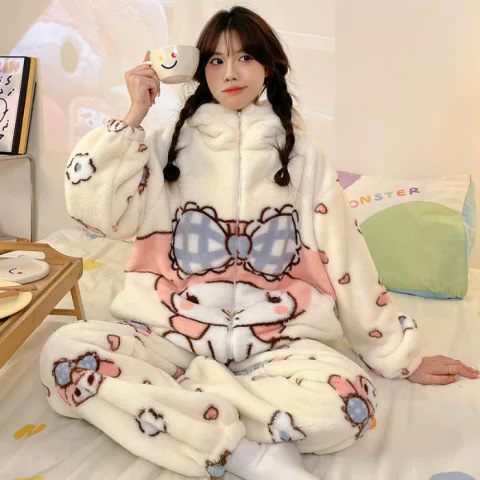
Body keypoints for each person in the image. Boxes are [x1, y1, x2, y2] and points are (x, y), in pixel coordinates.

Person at [40, 6, 479, 480]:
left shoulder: (303, 155)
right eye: (216, 60)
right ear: (198, 69)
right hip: (168, 337)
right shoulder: (165, 145)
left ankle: (188, 409)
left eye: (245, 57)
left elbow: (346, 256)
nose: (230, 73)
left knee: (351, 400)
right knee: (63, 352)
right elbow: (96, 212)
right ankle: (245, 454)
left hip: (276, 344)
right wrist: (134, 116)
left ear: (268, 66)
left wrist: (398, 354)